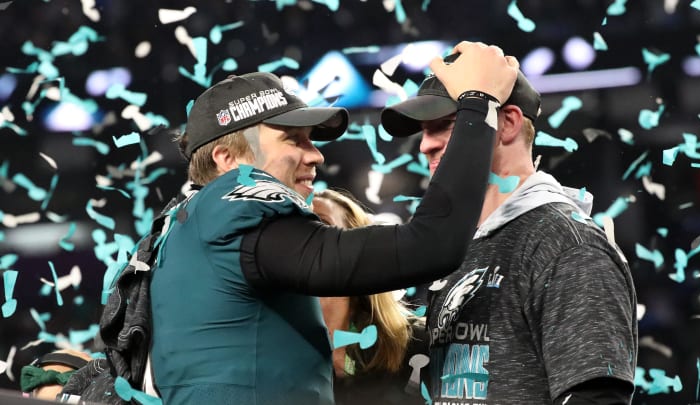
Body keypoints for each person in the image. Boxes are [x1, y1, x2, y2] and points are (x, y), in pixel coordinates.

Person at [149, 41, 520, 405]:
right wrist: (479, 104)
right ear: (228, 159)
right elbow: (431, 244)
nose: (316, 155)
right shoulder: (233, 215)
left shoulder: (178, 231)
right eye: (293, 139)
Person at [380, 51, 638, 404]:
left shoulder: (566, 243)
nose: (425, 144)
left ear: (508, 123)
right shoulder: (463, 246)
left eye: (444, 124)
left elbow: (597, 398)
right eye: (423, 130)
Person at [312, 188, 428, 405]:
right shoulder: (269, 346)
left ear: (359, 247)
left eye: (319, 225)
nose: (304, 240)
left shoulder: (416, 341)